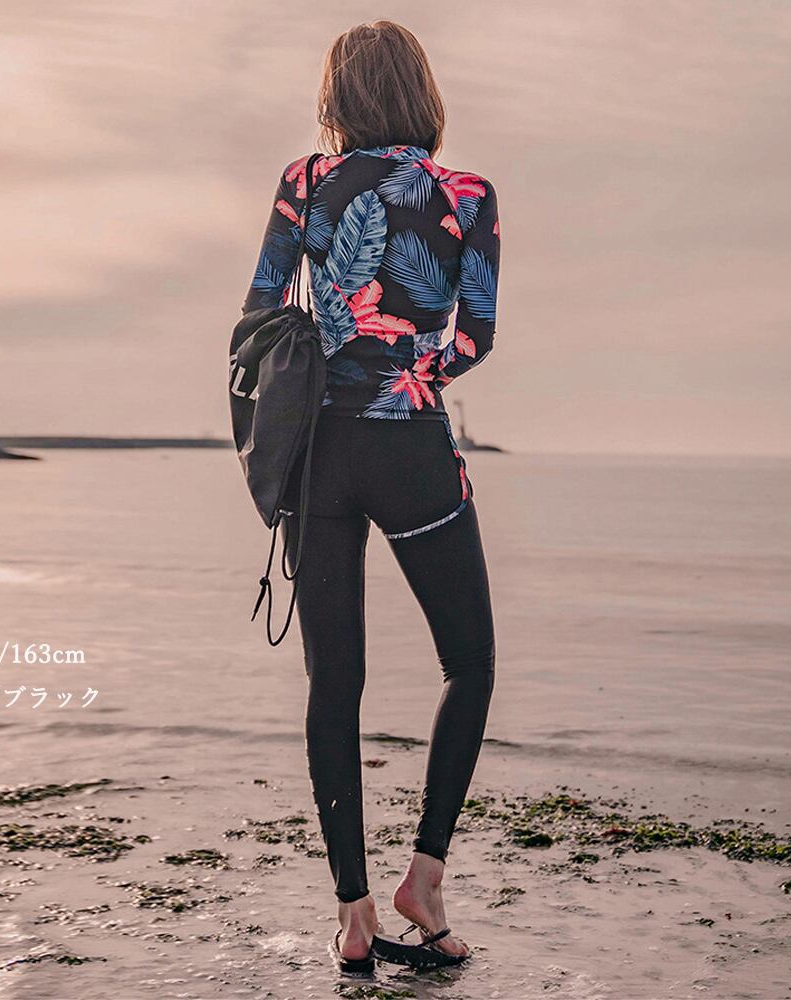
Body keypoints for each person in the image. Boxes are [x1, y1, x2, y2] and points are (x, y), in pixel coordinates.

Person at [242, 19, 500, 972]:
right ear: (421, 92)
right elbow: (476, 335)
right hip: (413, 449)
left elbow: (259, 312)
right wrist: (411, 370)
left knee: (334, 685)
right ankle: (423, 878)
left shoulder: (304, 182)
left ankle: (353, 912)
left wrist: (329, 352)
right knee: (468, 661)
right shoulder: (467, 196)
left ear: (337, 97)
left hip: (320, 456)